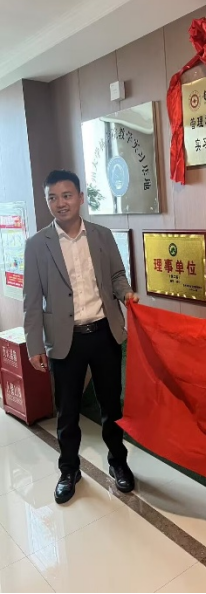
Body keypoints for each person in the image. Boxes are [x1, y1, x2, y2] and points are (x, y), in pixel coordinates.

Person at [23, 169, 139, 504]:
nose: (60, 203)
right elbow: (32, 300)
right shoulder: (37, 245)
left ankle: (118, 462)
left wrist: (126, 293)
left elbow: (117, 275)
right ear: (47, 202)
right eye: (53, 198)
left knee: (111, 406)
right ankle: (69, 470)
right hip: (65, 339)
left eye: (67, 195)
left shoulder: (102, 235)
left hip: (104, 333)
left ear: (80, 197)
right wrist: (34, 345)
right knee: (68, 410)